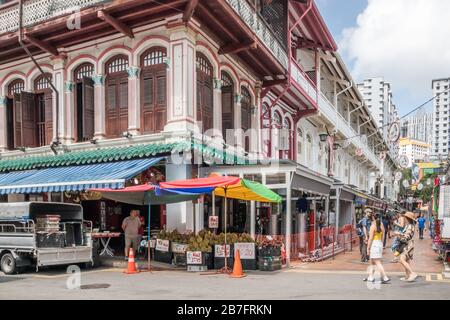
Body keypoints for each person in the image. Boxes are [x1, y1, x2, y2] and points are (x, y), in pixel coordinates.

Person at [364, 212, 390, 283]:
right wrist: (381, 244)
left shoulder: (373, 226)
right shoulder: (381, 225)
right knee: (372, 261)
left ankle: (385, 277)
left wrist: (368, 248)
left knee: (377, 262)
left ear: (373, 217)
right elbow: (383, 235)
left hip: (374, 244)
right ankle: (370, 276)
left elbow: (371, 238)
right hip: (379, 243)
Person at [395, 211, 418, 282]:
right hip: (408, 244)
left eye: (405, 217)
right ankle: (407, 275)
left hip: (407, 245)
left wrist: (399, 234)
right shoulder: (410, 225)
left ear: (407, 218)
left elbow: (407, 237)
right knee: (406, 260)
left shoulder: (410, 226)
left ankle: (412, 273)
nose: (404, 218)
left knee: (402, 260)